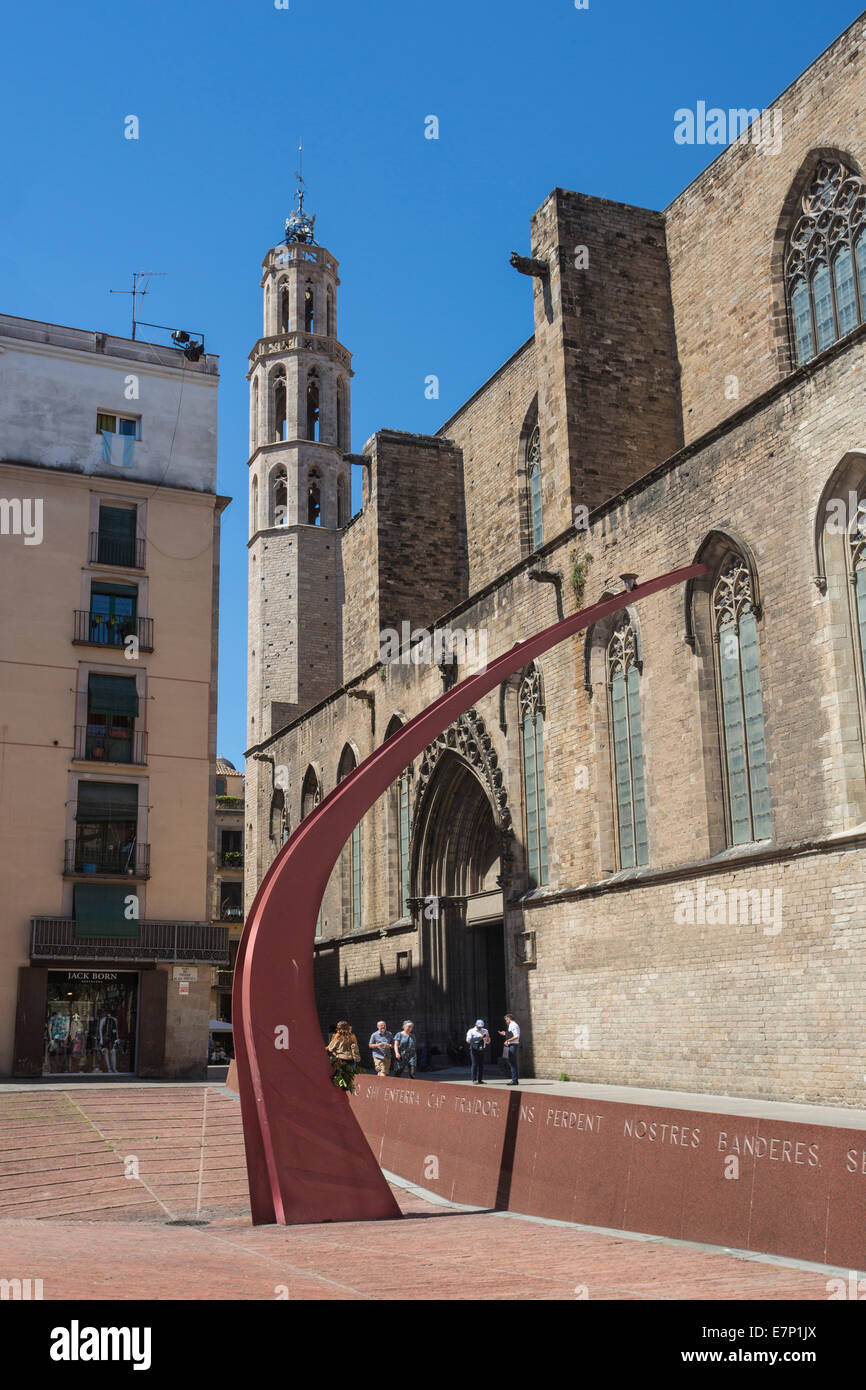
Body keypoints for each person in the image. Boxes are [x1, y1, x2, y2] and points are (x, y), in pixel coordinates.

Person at [327, 1021, 361, 1091]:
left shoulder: (337, 1036)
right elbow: (355, 1045)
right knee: (347, 1078)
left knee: (334, 1077)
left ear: (338, 1028)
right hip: (351, 1060)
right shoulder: (352, 1036)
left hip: (340, 1059)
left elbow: (330, 1048)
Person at [466, 1019, 490, 1085]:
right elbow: (468, 1041)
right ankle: (474, 1080)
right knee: (474, 1064)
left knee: (481, 1065)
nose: (480, 1027)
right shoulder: (471, 1031)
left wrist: (487, 1037)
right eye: (479, 1026)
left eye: (481, 1026)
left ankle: (480, 1080)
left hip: (482, 1049)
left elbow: (488, 1042)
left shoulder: (485, 1031)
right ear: (475, 1025)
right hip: (474, 1049)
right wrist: (478, 1038)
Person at [498, 1013, 520, 1085]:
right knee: (510, 1062)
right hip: (510, 1045)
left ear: (509, 1019)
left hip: (513, 1045)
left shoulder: (514, 1025)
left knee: (512, 1062)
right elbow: (511, 1034)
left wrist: (507, 1040)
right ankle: (514, 1079)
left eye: (506, 1020)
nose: (506, 1021)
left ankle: (514, 1080)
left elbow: (516, 1036)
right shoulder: (511, 1025)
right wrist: (505, 1034)